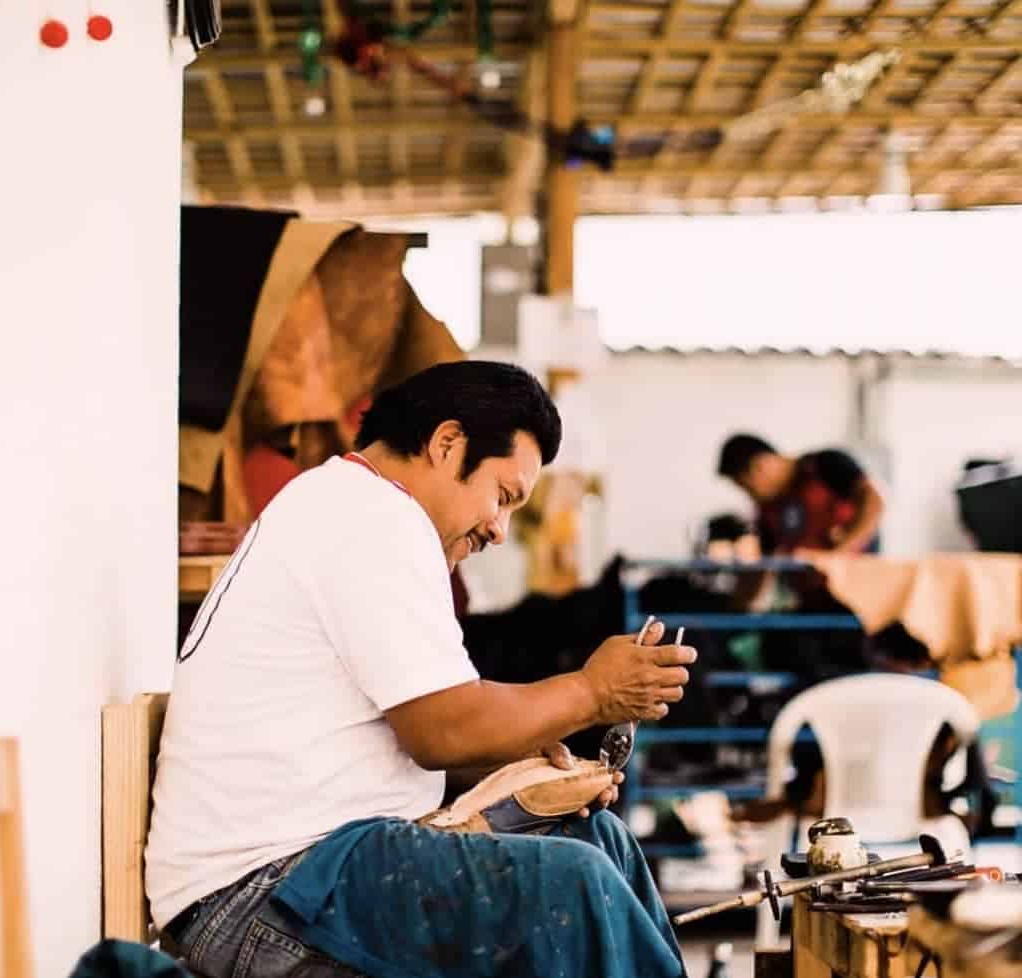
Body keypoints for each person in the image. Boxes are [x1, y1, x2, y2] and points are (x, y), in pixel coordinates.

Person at [146, 361, 697, 978]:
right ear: (446, 444)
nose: (499, 527)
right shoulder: (372, 517)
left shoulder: (357, 507)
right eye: (502, 496)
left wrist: (518, 753)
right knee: (576, 883)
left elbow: (432, 724)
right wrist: (594, 692)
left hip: (318, 871)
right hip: (259, 894)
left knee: (602, 844)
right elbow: (442, 730)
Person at [715, 433, 885, 556]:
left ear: (760, 466)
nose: (750, 497)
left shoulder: (825, 465)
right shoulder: (767, 509)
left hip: (857, 586)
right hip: (812, 597)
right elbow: (765, 562)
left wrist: (840, 553)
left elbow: (874, 502)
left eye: (748, 488)